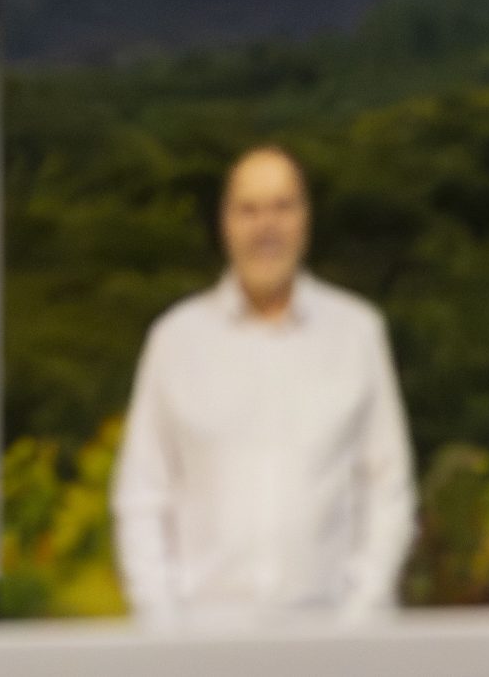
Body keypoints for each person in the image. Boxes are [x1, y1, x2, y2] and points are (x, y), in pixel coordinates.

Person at [111, 145, 417, 622]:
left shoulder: (357, 333)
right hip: (203, 637)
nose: (265, 226)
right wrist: (163, 628)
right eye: (248, 210)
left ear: (305, 218)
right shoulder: (175, 340)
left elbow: (387, 489)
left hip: (330, 635)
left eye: (282, 207)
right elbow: (142, 495)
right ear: (225, 223)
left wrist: (359, 619)